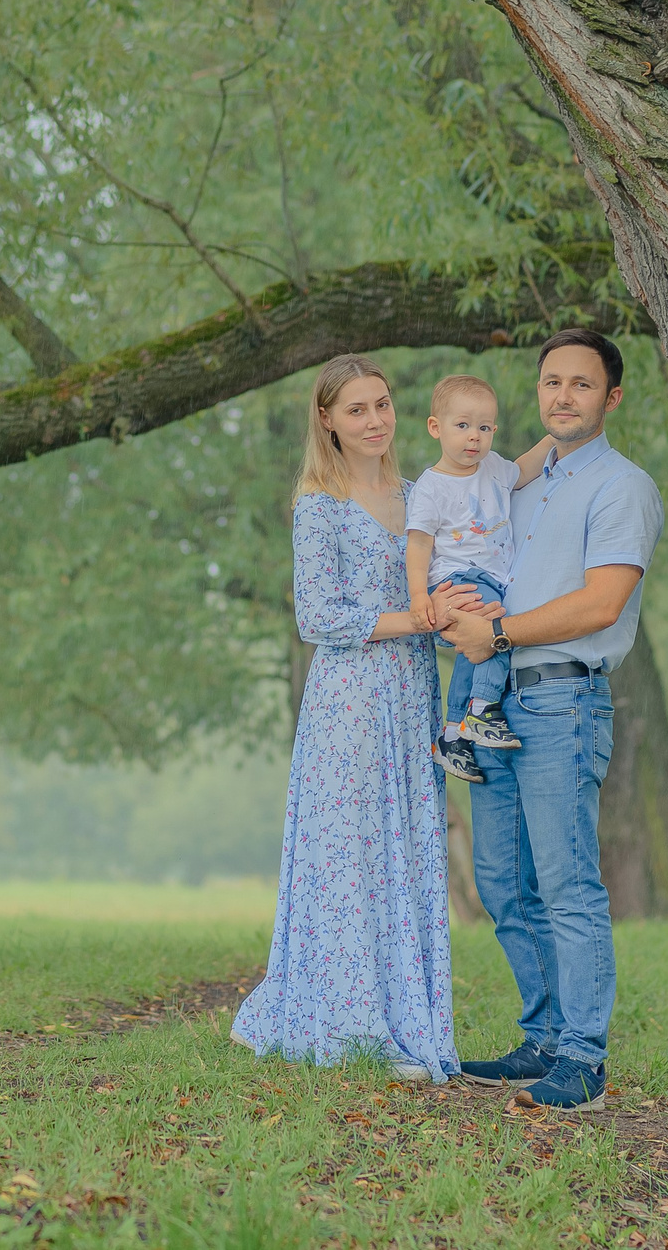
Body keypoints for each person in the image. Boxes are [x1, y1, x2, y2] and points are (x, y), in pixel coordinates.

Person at [231, 354, 479, 1084]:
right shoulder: (320, 503)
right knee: (350, 855)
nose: (374, 420)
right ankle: (355, 1023)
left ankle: (407, 1014)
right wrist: (416, 617)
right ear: (327, 420)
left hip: (410, 697)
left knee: (403, 847)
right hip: (349, 702)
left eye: (382, 404)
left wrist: (462, 611)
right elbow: (317, 615)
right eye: (356, 409)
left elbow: (451, 583)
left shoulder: (420, 495)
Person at [440, 328, 662, 1111]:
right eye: (551, 382)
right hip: (486, 697)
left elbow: (601, 602)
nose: (563, 395)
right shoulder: (517, 483)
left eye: (581, 384)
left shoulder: (623, 487)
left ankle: (583, 1058)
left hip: (562, 698)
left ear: (612, 397)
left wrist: (497, 632)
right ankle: (541, 1038)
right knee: (504, 881)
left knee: (566, 881)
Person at [407, 374, 556, 785]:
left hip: (491, 577)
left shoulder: (491, 467)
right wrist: (420, 596)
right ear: (435, 427)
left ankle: (453, 734)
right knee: (497, 633)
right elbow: (418, 547)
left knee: (474, 653)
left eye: (485, 427)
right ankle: (483, 709)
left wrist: (553, 439)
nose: (475, 437)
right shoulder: (431, 488)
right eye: (463, 425)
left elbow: (522, 471)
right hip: (457, 580)